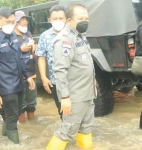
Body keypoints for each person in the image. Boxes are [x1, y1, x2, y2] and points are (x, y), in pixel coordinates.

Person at [46, 4, 97, 150]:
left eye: (86, 18)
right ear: (69, 20)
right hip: (75, 95)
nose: (85, 21)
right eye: (81, 18)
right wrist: (65, 97)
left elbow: (86, 63)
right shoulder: (64, 39)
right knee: (67, 130)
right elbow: (60, 70)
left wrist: (93, 83)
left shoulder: (80, 36)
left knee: (87, 126)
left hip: (87, 92)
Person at [0, 7, 35, 144]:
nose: (11, 25)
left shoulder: (13, 37)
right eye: (8, 21)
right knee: (12, 115)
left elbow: (19, 59)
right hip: (5, 85)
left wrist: (27, 75)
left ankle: (5, 137)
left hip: (18, 83)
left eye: (13, 21)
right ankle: (15, 144)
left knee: (16, 112)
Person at [35, 5, 66, 118]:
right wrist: (43, 77)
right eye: (54, 19)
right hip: (56, 82)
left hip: (75, 81)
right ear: (49, 20)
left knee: (79, 113)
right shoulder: (45, 36)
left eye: (61, 18)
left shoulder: (73, 33)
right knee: (63, 113)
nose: (58, 21)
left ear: (66, 19)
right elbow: (41, 57)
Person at [14, 10, 37, 123]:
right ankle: (23, 127)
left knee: (31, 103)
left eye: (26, 19)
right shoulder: (11, 36)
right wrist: (20, 49)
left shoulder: (28, 34)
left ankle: (32, 127)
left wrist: (34, 49)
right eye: (23, 19)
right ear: (16, 21)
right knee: (21, 105)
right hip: (18, 76)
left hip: (31, 72)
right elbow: (6, 55)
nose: (25, 21)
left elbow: (34, 52)